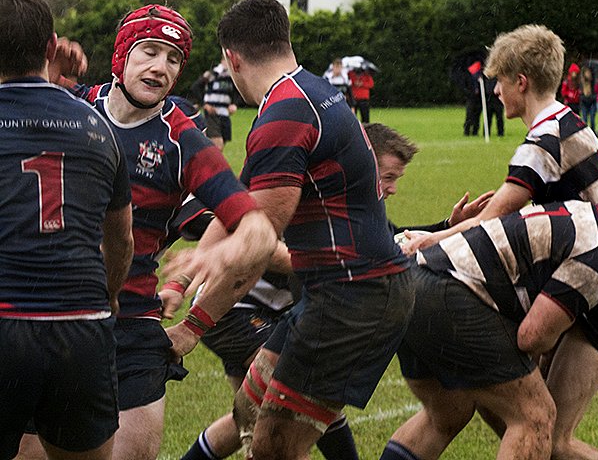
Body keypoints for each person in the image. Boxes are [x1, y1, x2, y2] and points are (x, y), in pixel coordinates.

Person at [25, 5, 277, 460]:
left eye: (173, 58)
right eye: (149, 51)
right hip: (46, 313)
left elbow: (257, 231)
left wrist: (197, 317)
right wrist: (40, 75)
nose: (161, 67)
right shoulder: (72, 104)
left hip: (131, 324)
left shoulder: (183, 141)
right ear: (122, 55)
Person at [177, 123, 481, 460]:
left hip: (268, 310)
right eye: (388, 177)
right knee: (302, 392)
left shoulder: (354, 202)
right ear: (364, 162)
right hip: (233, 310)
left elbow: (391, 242)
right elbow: (267, 248)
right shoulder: (314, 191)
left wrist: (446, 228)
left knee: (251, 416)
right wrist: (331, 266)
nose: (392, 189)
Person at [197, 0, 412, 460]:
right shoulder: (310, 90)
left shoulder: (285, 113)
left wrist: (192, 325)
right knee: (248, 411)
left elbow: (257, 240)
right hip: (337, 291)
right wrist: (189, 271)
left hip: (352, 296)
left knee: (273, 447)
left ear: (232, 59)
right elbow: (238, 203)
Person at [404, 24, 598, 460]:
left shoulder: (545, 139)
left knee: (548, 434)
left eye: (499, 81)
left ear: (521, 83)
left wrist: (430, 239)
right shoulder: (566, 122)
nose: (494, 89)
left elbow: (494, 217)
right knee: (524, 421)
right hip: (585, 276)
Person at [385, 185, 598, 460]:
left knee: (447, 412)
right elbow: (532, 337)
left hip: (411, 286)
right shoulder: (597, 258)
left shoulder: (583, 214)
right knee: (536, 417)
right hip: (452, 294)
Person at [0, 0, 135, 460]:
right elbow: (121, 239)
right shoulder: (97, 128)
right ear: (51, 46)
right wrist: (111, 294)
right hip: (80, 323)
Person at [203, 63, 237, 151]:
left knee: (220, 145)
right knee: (218, 144)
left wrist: (234, 104)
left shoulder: (232, 77)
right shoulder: (212, 74)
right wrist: (205, 104)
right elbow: (196, 87)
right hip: (212, 113)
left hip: (225, 114)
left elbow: (236, 92)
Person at [464, 60, 485, 136]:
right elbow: (466, 87)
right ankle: (467, 131)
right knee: (469, 115)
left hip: (479, 99)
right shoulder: (469, 75)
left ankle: (475, 131)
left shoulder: (481, 75)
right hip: (471, 98)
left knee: (477, 115)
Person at [580, 65, 598, 132]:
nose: (587, 74)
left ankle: (592, 131)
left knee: (592, 119)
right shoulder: (582, 83)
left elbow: (596, 94)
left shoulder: (593, 82)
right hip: (584, 103)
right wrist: (584, 96)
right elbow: (580, 95)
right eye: (586, 72)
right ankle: (585, 132)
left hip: (592, 103)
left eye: (588, 72)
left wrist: (590, 96)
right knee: (584, 119)